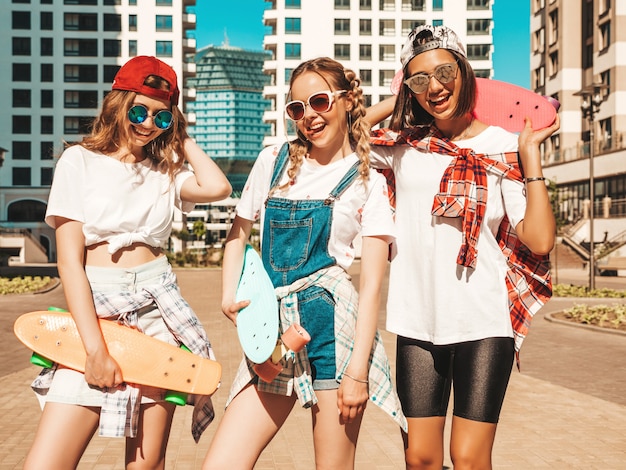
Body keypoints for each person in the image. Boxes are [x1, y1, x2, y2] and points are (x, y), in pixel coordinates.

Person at [24, 56, 232, 469]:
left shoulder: (165, 173)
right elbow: (69, 264)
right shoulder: (78, 161)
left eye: (160, 117)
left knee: (146, 465)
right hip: (96, 313)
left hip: (158, 312)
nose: (147, 124)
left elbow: (218, 186)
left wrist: (181, 134)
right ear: (117, 105)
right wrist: (95, 350)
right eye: (138, 111)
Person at [368, 26, 559, 469]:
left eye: (444, 72)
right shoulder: (403, 146)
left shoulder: (503, 145)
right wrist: (397, 98)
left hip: (483, 319)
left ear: (464, 71)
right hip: (417, 319)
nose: (434, 87)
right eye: (419, 81)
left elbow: (540, 239)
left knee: (469, 459)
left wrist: (529, 159)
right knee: (420, 458)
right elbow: (344, 134)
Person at [202, 57, 407, 469]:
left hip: (334, 328)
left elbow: (370, 290)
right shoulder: (274, 159)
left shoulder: (369, 179)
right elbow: (238, 233)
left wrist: (358, 372)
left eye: (319, 101)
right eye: (297, 108)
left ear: (347, 101)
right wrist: (229, 295)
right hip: (274, 332)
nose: (308, 116)